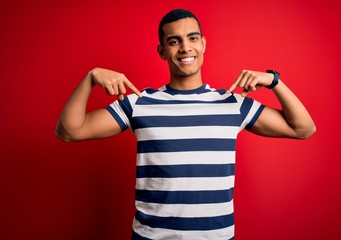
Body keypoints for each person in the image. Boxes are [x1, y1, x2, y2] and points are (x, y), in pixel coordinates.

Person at [55, 9, 316, 240]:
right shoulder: (139, 102)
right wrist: (90, 78)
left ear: (203, 44)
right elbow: (69, 131)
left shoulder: (232, 103)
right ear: (162, 51)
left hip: (216, 236)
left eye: (192, 38)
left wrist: (274, 81)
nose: (185, 47)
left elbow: (303, 128)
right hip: (152, 236)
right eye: (173, 41)